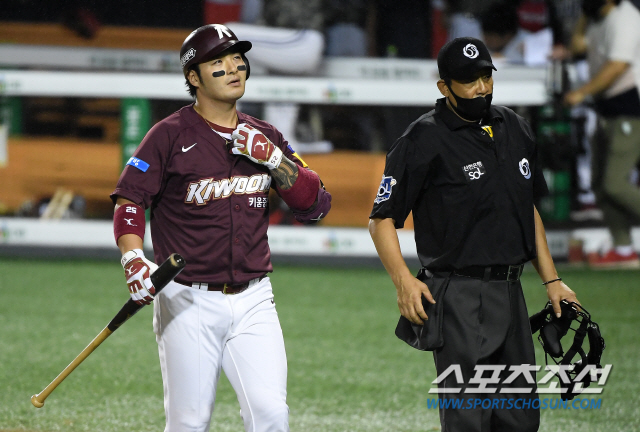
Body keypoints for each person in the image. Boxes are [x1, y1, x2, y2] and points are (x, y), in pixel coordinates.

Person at [110, 24, 331, 432]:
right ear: (193, 77)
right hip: (187, 299)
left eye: (237, 58)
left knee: (271, 415)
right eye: (218, 61)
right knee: (190, 422)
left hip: (255, 299)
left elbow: (315, 205)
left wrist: (273, 159)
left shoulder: (266, 135)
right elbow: (130, 200)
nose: (233, 68)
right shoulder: (168, 135)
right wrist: (133, 259)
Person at [369, 37, 579, 432]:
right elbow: (381, 219)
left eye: (486, 77)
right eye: (469, 81)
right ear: (444, 86)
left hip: (511, 292)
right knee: (468, 419)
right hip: (459, 295)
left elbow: (527, 209)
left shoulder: (515, 127)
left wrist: (553, 281)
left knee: (520, 419)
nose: (481, 88)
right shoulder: (422, 138)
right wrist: (403, 282)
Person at [564, 0, 640, 268]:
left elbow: (618, 65)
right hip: (607, 110)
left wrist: (582, 92)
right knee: (599, 185)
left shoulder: (626, 17)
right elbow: (577, 47)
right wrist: (584, 18)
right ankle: (623, 250)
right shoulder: (598, 18)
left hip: (631, 109)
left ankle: (624, 249)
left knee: (615, 184)